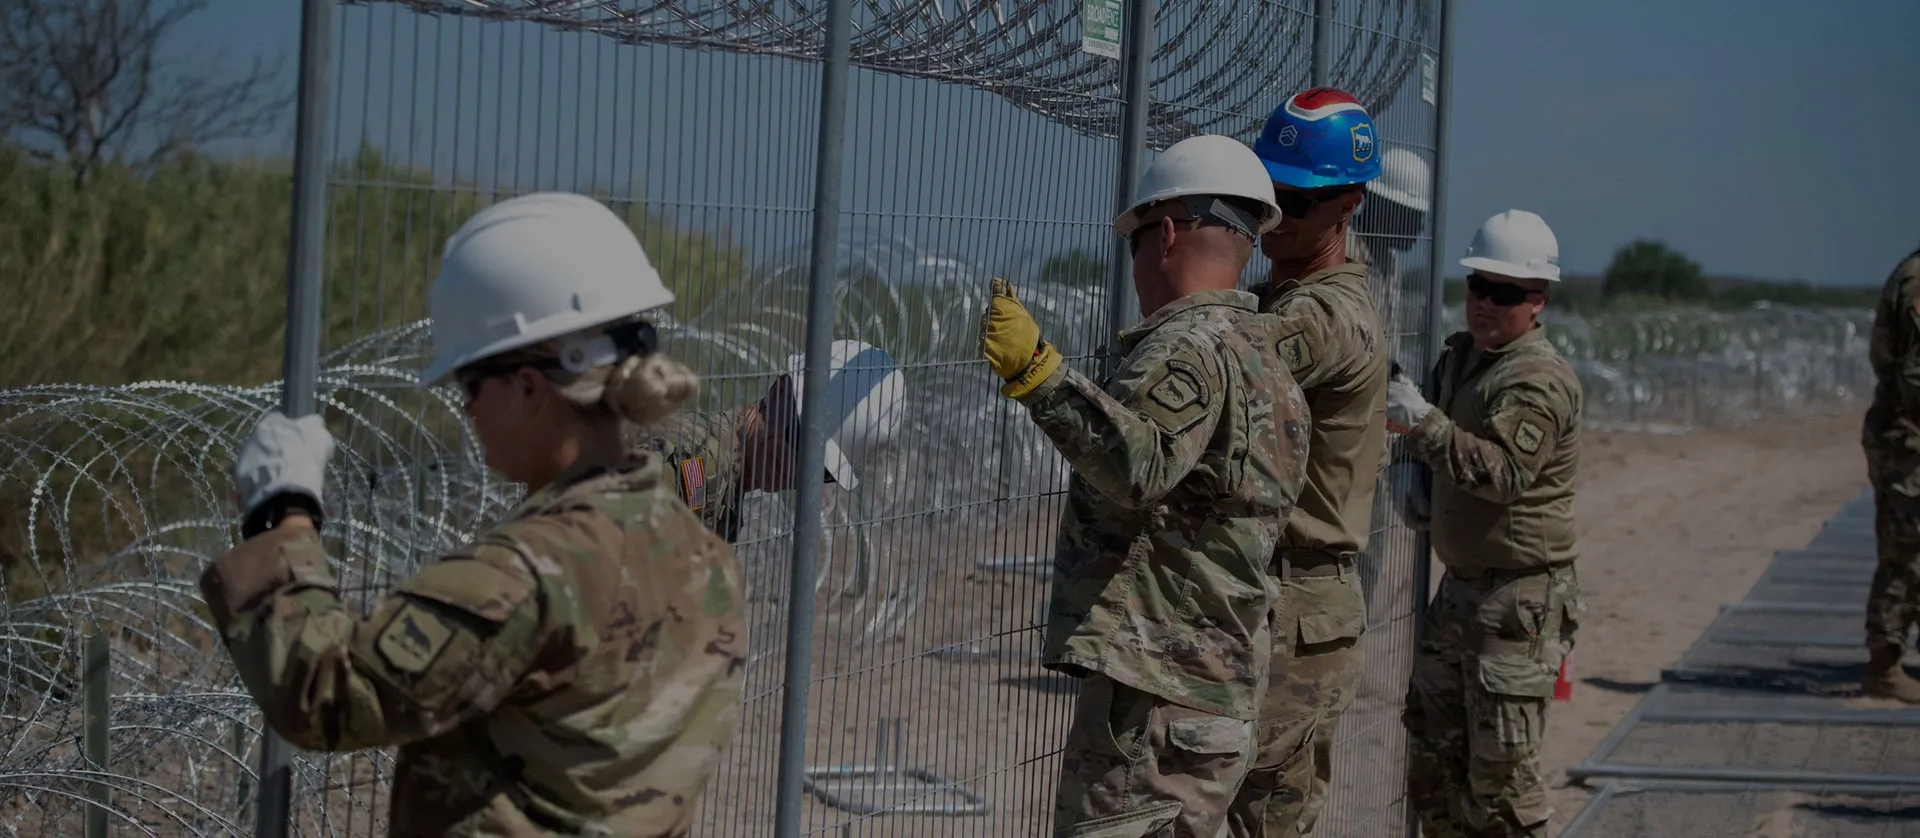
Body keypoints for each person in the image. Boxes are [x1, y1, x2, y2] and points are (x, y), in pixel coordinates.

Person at [199, 191, 749, 837]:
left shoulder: (526, 573)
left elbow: (329, 695)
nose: (466, 412)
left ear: (527, 386)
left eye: (469, 387)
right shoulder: (704, 554)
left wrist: (283, 514)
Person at [977, 133, 1311, 837]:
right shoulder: (1267, 361)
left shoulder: (1188, 346)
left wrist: (1039, 376)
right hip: (1210, 690)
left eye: (1132, 243)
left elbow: (1141, 466)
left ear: (1164, 233)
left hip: (1157, 696)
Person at [1384, 208, 1584, 838]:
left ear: (1538, 300)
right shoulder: (1464, 358)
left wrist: (1422, 425)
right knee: (1435, 760)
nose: (1485, 304)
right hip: (1464, 588)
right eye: (1477, 286)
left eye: (1505, 293)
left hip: (1518, 600)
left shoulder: (1536, 378)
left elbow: (1503, 472)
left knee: (1501, 782)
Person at [1228, 86, 1390, 838]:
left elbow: (1225, 370)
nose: (1273, 218)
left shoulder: (1325, 314)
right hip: (1269, 592)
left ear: (1348, 204)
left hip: (1296, 602)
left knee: (1265, 814)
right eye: (1265, 196)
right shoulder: (1278, 296)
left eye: (1294, 202)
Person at [633, 338, 908, 543]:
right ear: (778, 391)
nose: (795, 466)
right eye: (801, 440)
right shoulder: (705, 464)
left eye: (820, 469)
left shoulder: (728, 480)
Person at [1859, 245, 1920, 703]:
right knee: (1904, 552)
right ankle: (1884, 665)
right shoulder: (1917, 280)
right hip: (1908, 438)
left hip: (1905, 434)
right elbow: (1914, 376)